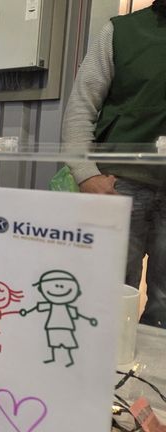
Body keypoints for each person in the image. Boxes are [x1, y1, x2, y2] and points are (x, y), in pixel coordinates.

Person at [61, 1, 166, 328]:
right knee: (108, 295)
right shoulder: (120, 32)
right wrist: (86, 175)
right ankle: (109, 361)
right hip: (119, 186)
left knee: (164, 304)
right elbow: (82, 105)